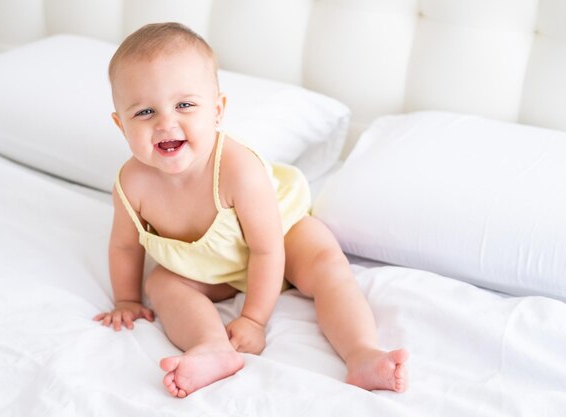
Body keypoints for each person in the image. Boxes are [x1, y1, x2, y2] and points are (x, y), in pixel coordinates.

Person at [93, 22, 408, 398]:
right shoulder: (132, 184)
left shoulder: (238, 170)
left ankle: (362, 353)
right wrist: (126, 300)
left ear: (217, 110)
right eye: (144, 112)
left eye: (185, 105)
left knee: (327, 265)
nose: (165, 123)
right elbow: (125, 247)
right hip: (215, 267)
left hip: (281, 239)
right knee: (161, 283)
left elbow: (266, 248)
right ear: (120, 124)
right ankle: (211, 346)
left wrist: (253, 320)